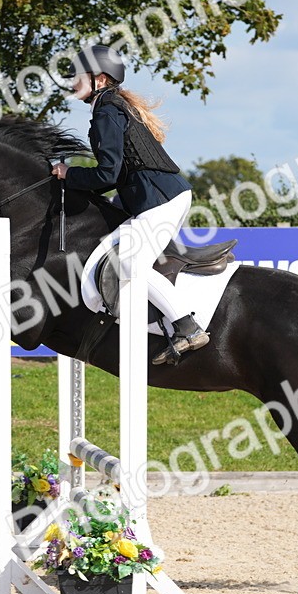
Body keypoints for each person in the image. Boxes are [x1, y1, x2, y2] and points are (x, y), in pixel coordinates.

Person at [51, 45, 208, 366]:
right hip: (154, 198)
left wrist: (69, 174)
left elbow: (106, 173)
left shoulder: (107, 110)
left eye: (78, 76)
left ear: (100, 78)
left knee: (130, 265)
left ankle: (188, 328)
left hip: (160, 200)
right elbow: (114, 175)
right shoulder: (110, 106)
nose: (72, 82)